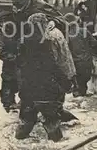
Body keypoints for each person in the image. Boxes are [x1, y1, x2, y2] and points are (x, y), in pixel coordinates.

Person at [15, 13, 76, 141]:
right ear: (42, 24)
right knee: (53, 126)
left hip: (28, 93)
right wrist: (66, 82)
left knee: (25, 125)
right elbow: (52, 65)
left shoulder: (22, 40)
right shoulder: (45, 42)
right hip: (46, 92)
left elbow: (19, 66)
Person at [64, 13, 97, 97]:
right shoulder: (84, 31)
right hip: (86, 63)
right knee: (83, 87)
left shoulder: (66, 34)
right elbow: (95, 44)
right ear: (76, 21)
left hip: (74, 65)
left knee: (77, 89)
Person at [0, 11, 20, 112]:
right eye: (3, 21)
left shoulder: (19, 30)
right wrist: (14, 58)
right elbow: (1, 52)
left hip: (21, 65)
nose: (5, 23)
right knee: (7, 88)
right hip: (9, 65)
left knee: (24, 88)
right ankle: (8, 107)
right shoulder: (0, 33)